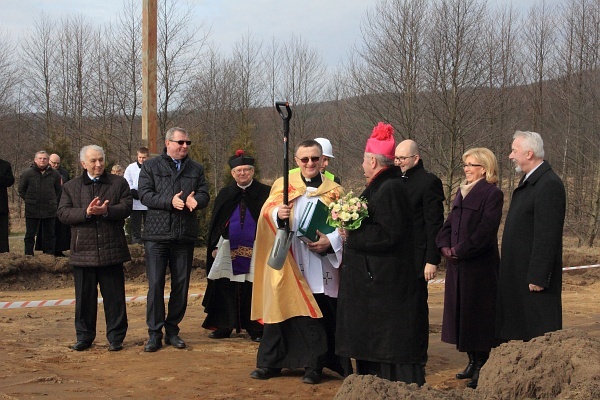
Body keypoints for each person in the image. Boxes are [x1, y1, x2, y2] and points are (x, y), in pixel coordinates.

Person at [251, 139, 348, 385]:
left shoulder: (334, 190)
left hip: (318, 260)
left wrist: (331, 241)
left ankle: (314, 365)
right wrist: (277, 214)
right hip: (290, 258)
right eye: (304, 159)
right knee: (281, 310)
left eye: (315, 158)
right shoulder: (283, 185)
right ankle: (271, 362)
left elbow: (345, 225)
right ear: (296, 161)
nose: (310, 163)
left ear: (322, 160)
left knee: (317, 311)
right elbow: (266, 213)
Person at [336, 122, 424, 385]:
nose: (362, 165)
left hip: (384, 283)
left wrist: (353, 234)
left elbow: (389, 233)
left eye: (364, 160)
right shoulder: (383, 186)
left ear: (373, 161)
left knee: (387, 345)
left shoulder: (391, 188)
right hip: (375, 282)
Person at [435, 148, 504, 389]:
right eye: (464, 164)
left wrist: (460, 250)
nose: (465, 169)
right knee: (462, 316)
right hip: (457, 267)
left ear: (483, 168)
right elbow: (448, 224)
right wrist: (443, 246)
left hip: (479, 269)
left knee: (478, 318)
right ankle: (471, 362)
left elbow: (485, 232)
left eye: (471, 164)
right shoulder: (461, 192)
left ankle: (482, 365)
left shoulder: (492, 193)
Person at [138, 127, 210, 352]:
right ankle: (154, 332)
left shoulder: (195, 168)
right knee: (156, 284)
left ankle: (172, 330)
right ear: (168, 143)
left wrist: (195, 200)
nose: (185, 146)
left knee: (181, 284)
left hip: (183, 234)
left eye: (188, 143)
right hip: (157, 236)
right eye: (180, 142)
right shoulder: (151, 166)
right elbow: (145, 195)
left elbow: (205, 194)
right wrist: (170, 201)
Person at [57, 145, 132, 352]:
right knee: (84, 299)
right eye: (93, 161)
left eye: (101, 159)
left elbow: (127, 207)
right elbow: (63, 213)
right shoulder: (71, 187)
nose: (98, 164)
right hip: (83, 252)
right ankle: (84, 337)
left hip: (112, 250)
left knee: (115, 298)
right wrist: (87, 212)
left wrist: (107, 210)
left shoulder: (119, 183)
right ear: (83, 164)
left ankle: (116, 337)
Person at [496, 131, 566, 342]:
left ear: (529, 153)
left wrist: (538, 275)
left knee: (537, 332)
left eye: (514, 151)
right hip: (518, 274)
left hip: (533, 280)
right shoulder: (530, 181)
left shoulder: (548, 184)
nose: (510, 156)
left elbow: (548, 234)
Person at [202, 150, 270, 342]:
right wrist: (214, 246)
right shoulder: (226, 194)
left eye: (246, 170)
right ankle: (224, 324)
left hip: (256, 247)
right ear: (232, 173)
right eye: (238, 171)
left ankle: (255, 327)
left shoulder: (265, 192)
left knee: (253, 285)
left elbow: (270, 221)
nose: (242, 174)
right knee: (225, 284)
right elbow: (216, 223)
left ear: (252, 171)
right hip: (227, 246)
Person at [394, 139, 444, 376]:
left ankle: (418, 355)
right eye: (396, 158)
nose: (399, 162)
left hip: (418, 258)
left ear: (416, 158)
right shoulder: (395, 181)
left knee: (415, 308)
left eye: (403, 158)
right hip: (396, 257)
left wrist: (432, 259)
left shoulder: (429, 182)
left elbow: (434, 224)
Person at [18, 151, 62, 256]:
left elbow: (58, 190)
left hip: (49, 208)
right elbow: (21, 190)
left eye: (45, 158)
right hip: (32, 208)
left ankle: (49, 256)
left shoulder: (55, 174)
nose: (42, 160)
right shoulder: (27, 173)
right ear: (35, 159)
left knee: (50, 234)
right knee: (30, 234)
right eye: (40, 158)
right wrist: (29, 200)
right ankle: (28, 256)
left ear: (48, 160)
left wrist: (52, 200)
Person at [124, 147, 149, 244]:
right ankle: (136, 244)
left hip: (148, 201)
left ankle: (148, 243)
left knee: (148, 225)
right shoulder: (131, 168)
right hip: (135, 201)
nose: (142, 159)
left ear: (148, 157)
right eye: (140, 157)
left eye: (144, 157)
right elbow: (126, 180)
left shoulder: (152, 167)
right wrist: (132, 190)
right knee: (136, 226)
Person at [48, 153, 71, 257]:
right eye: (54, 163)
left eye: (58, 163)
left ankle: (60, 249)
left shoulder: (64, 173)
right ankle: (49, 250)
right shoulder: (46, 172)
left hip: (62, 203)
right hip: (49, 204)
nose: (56, 165)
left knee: (61, 229)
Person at [0, 157, 15, 253]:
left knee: (2, 234)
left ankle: (4, 256)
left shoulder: (5, 165)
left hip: (1, 207)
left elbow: (10, 181)